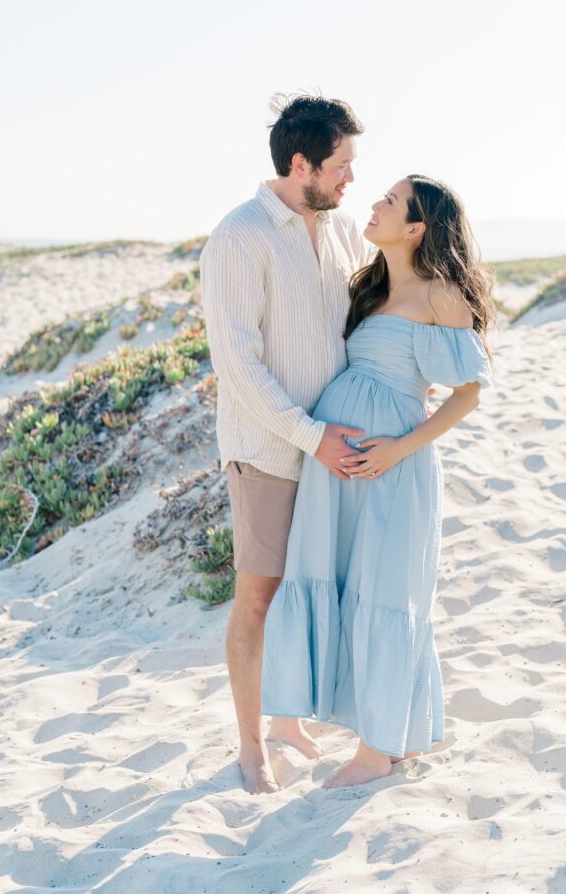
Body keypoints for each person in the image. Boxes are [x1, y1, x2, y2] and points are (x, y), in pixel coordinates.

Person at [261, 174, 498, 788]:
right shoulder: (371, 286)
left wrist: (397, 450)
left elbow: (466, 396)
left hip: (393, 465)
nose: (374, 204)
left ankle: (377, 750)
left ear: (417, 228)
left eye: (390, 202)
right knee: (333, 581)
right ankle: (344, 728)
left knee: (387, 592)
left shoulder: (441, 294)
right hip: (338, 463)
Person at [199, 93, 377, 794]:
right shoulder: (238, 236)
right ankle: (252, 748)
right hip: (272, 449)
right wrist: (311, 436)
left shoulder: (340, 231)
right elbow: (238, 366)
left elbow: (362, 320)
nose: (350, 180)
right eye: (340, 166)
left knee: (318, 591)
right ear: (299, 162)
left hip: (336, 446)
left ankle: (288, 719)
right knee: (259, 599)